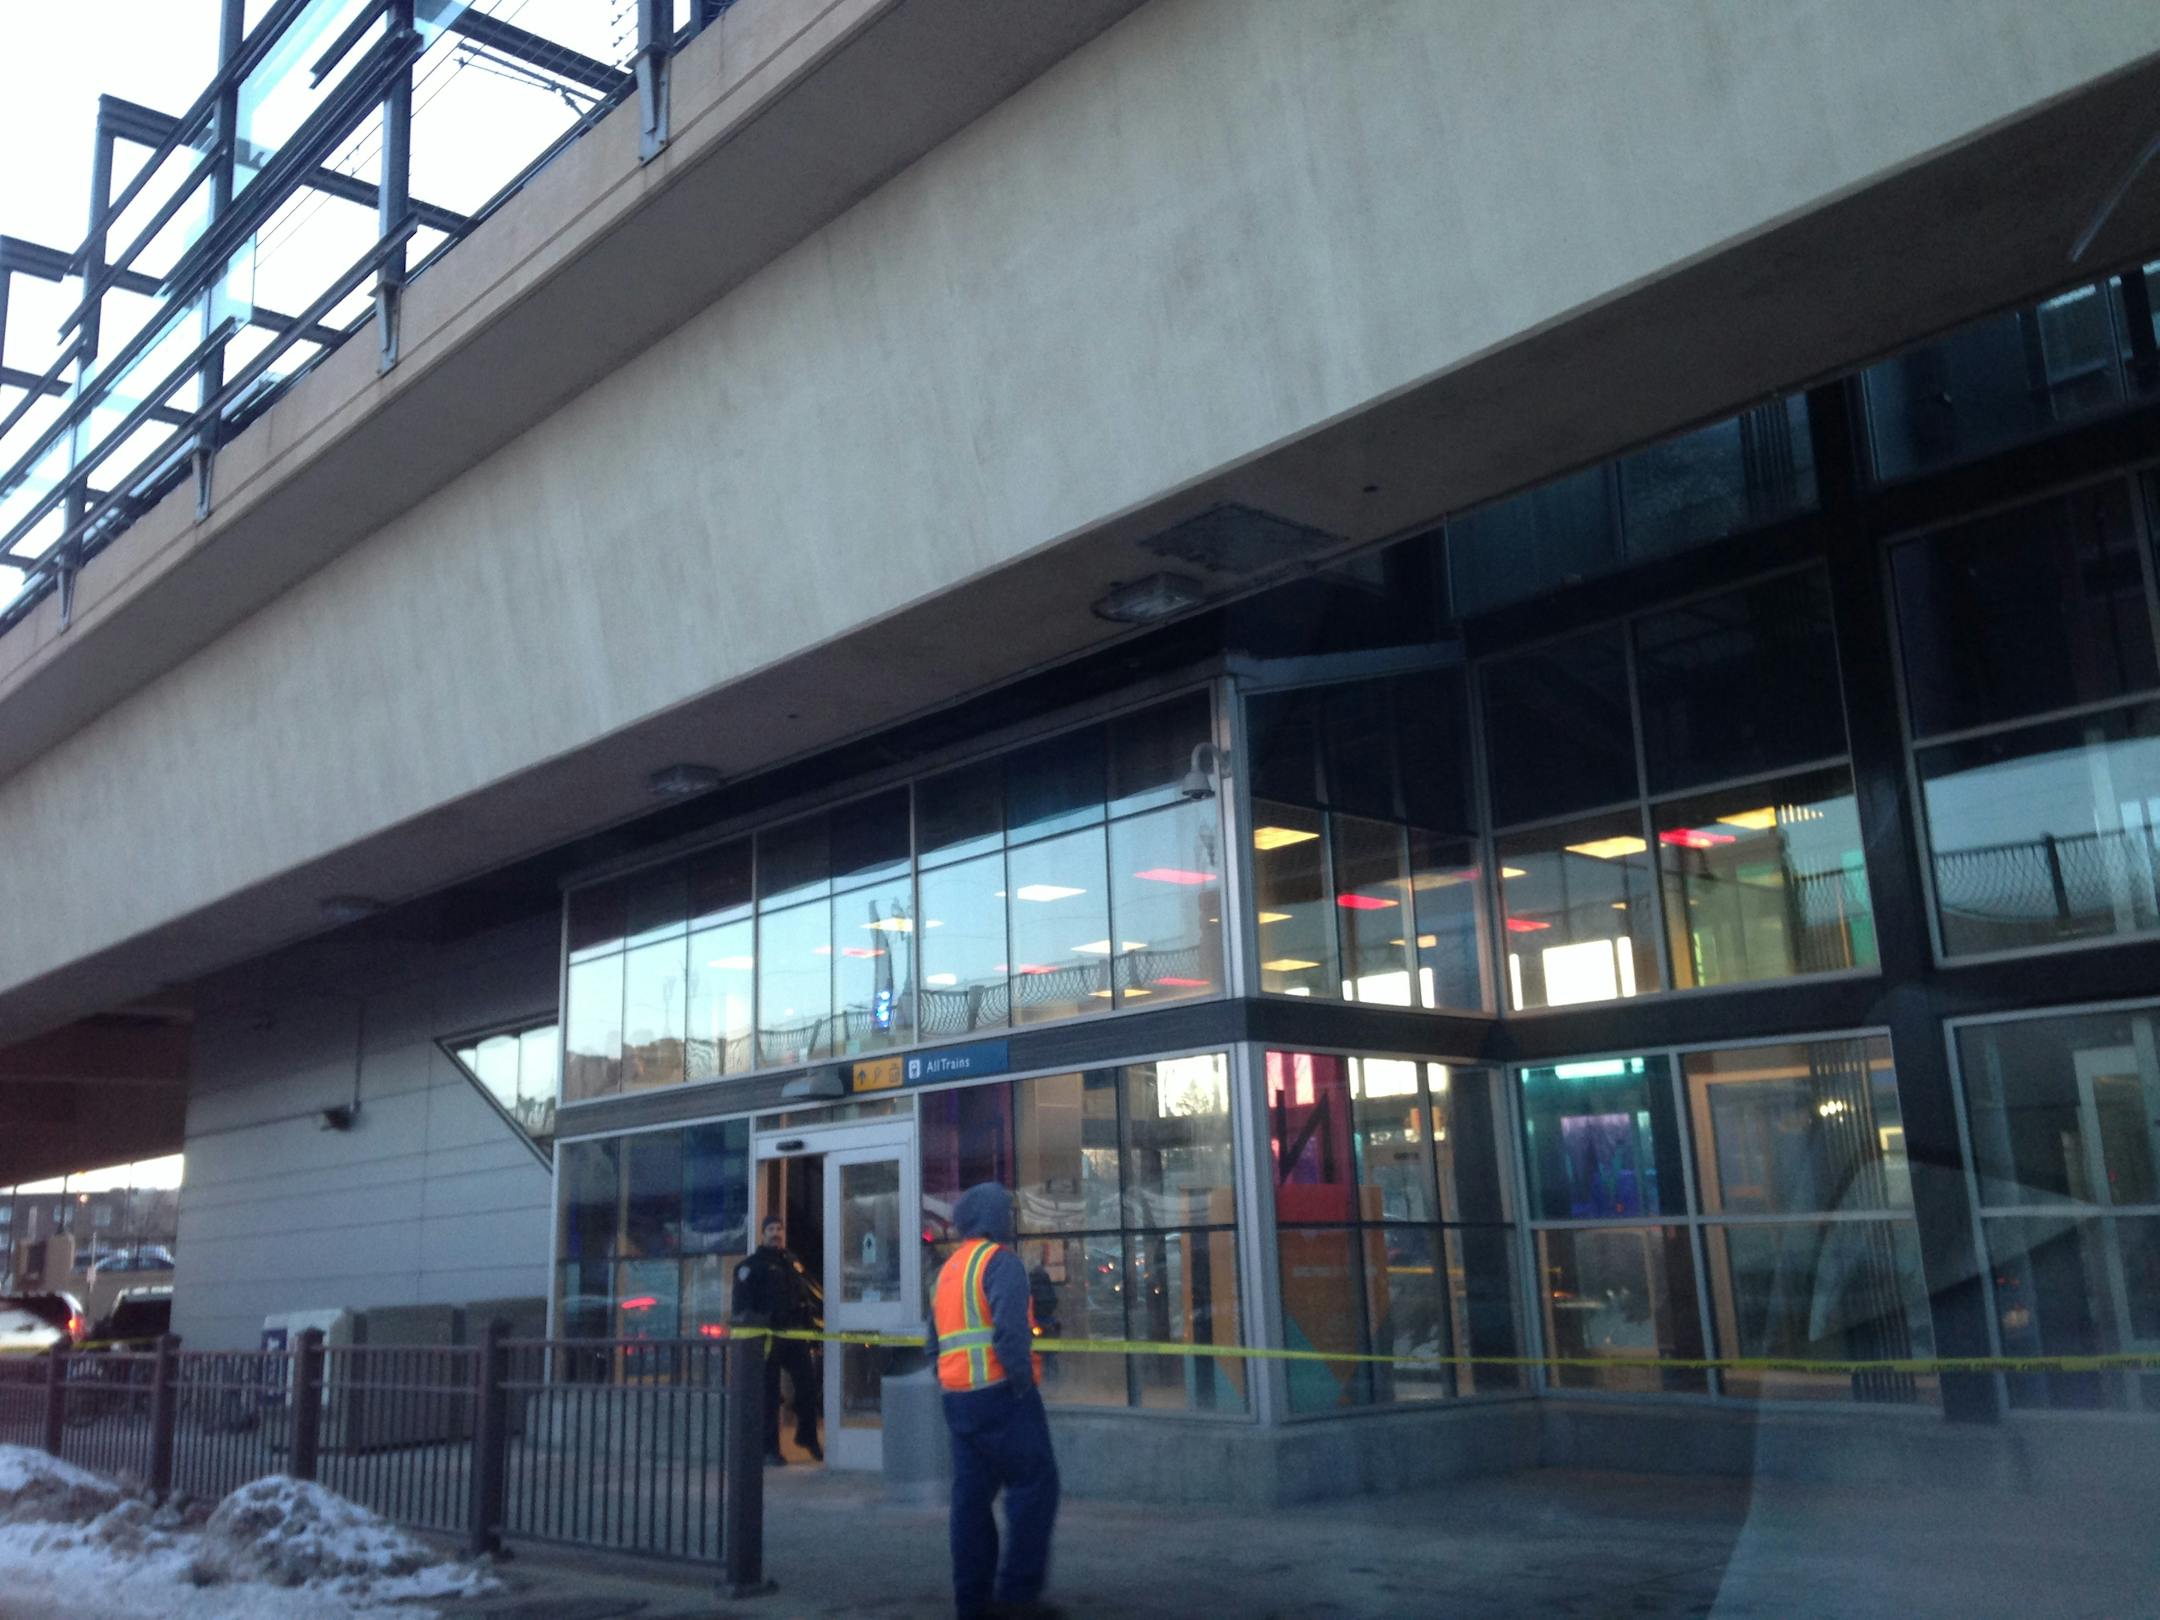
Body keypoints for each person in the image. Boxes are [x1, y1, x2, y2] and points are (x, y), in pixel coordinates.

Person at [926, 1184, 1061, 1620]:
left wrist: (951, 1381)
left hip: (959, 1402)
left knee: (970, 1501)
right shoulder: (1000, 1263)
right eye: (1008, 1211)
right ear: (994, 1217)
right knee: (1035, 1486)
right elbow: (1011, 1335)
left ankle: (972, 1602)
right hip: (1004, 1397)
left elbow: (933, 1344)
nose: (1013, 1218)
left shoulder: (949, 1270)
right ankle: (1018, 1597)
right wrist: (1021, 1383)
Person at [733, 1214, 821, 1464]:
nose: (776, 1233)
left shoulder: (792, 1264)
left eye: (779, 1228)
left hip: (795, 1335)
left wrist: (811, 1334)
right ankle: (769, 1449)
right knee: (769, 1395)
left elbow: (803, 1300)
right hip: (768, 1339)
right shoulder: (752, 1266)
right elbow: (743, 1307)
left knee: (807, 1388)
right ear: (762, 1235)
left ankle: (807, 1437)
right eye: (771, 1229)